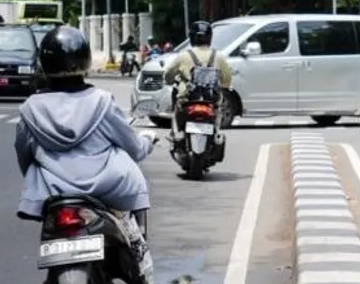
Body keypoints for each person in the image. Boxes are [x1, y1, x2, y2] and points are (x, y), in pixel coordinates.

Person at [15, 25, 157, 238]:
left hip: (51, 192)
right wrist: (147, 141)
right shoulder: (102, 102)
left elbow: (24, 158)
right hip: (108, 187)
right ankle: (140, 246)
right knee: (129, 166)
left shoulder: (30, 109)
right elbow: (134, 149)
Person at [165, 20, 233, 139]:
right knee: (218, 111)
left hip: (187, 99)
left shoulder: (183, 56)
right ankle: (216, 133)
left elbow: (168, 75)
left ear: (191, 37)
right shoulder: (219, 56)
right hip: (212, 99)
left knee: (176, 108)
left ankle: (176, 133)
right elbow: (226, 80)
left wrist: (171, 80)